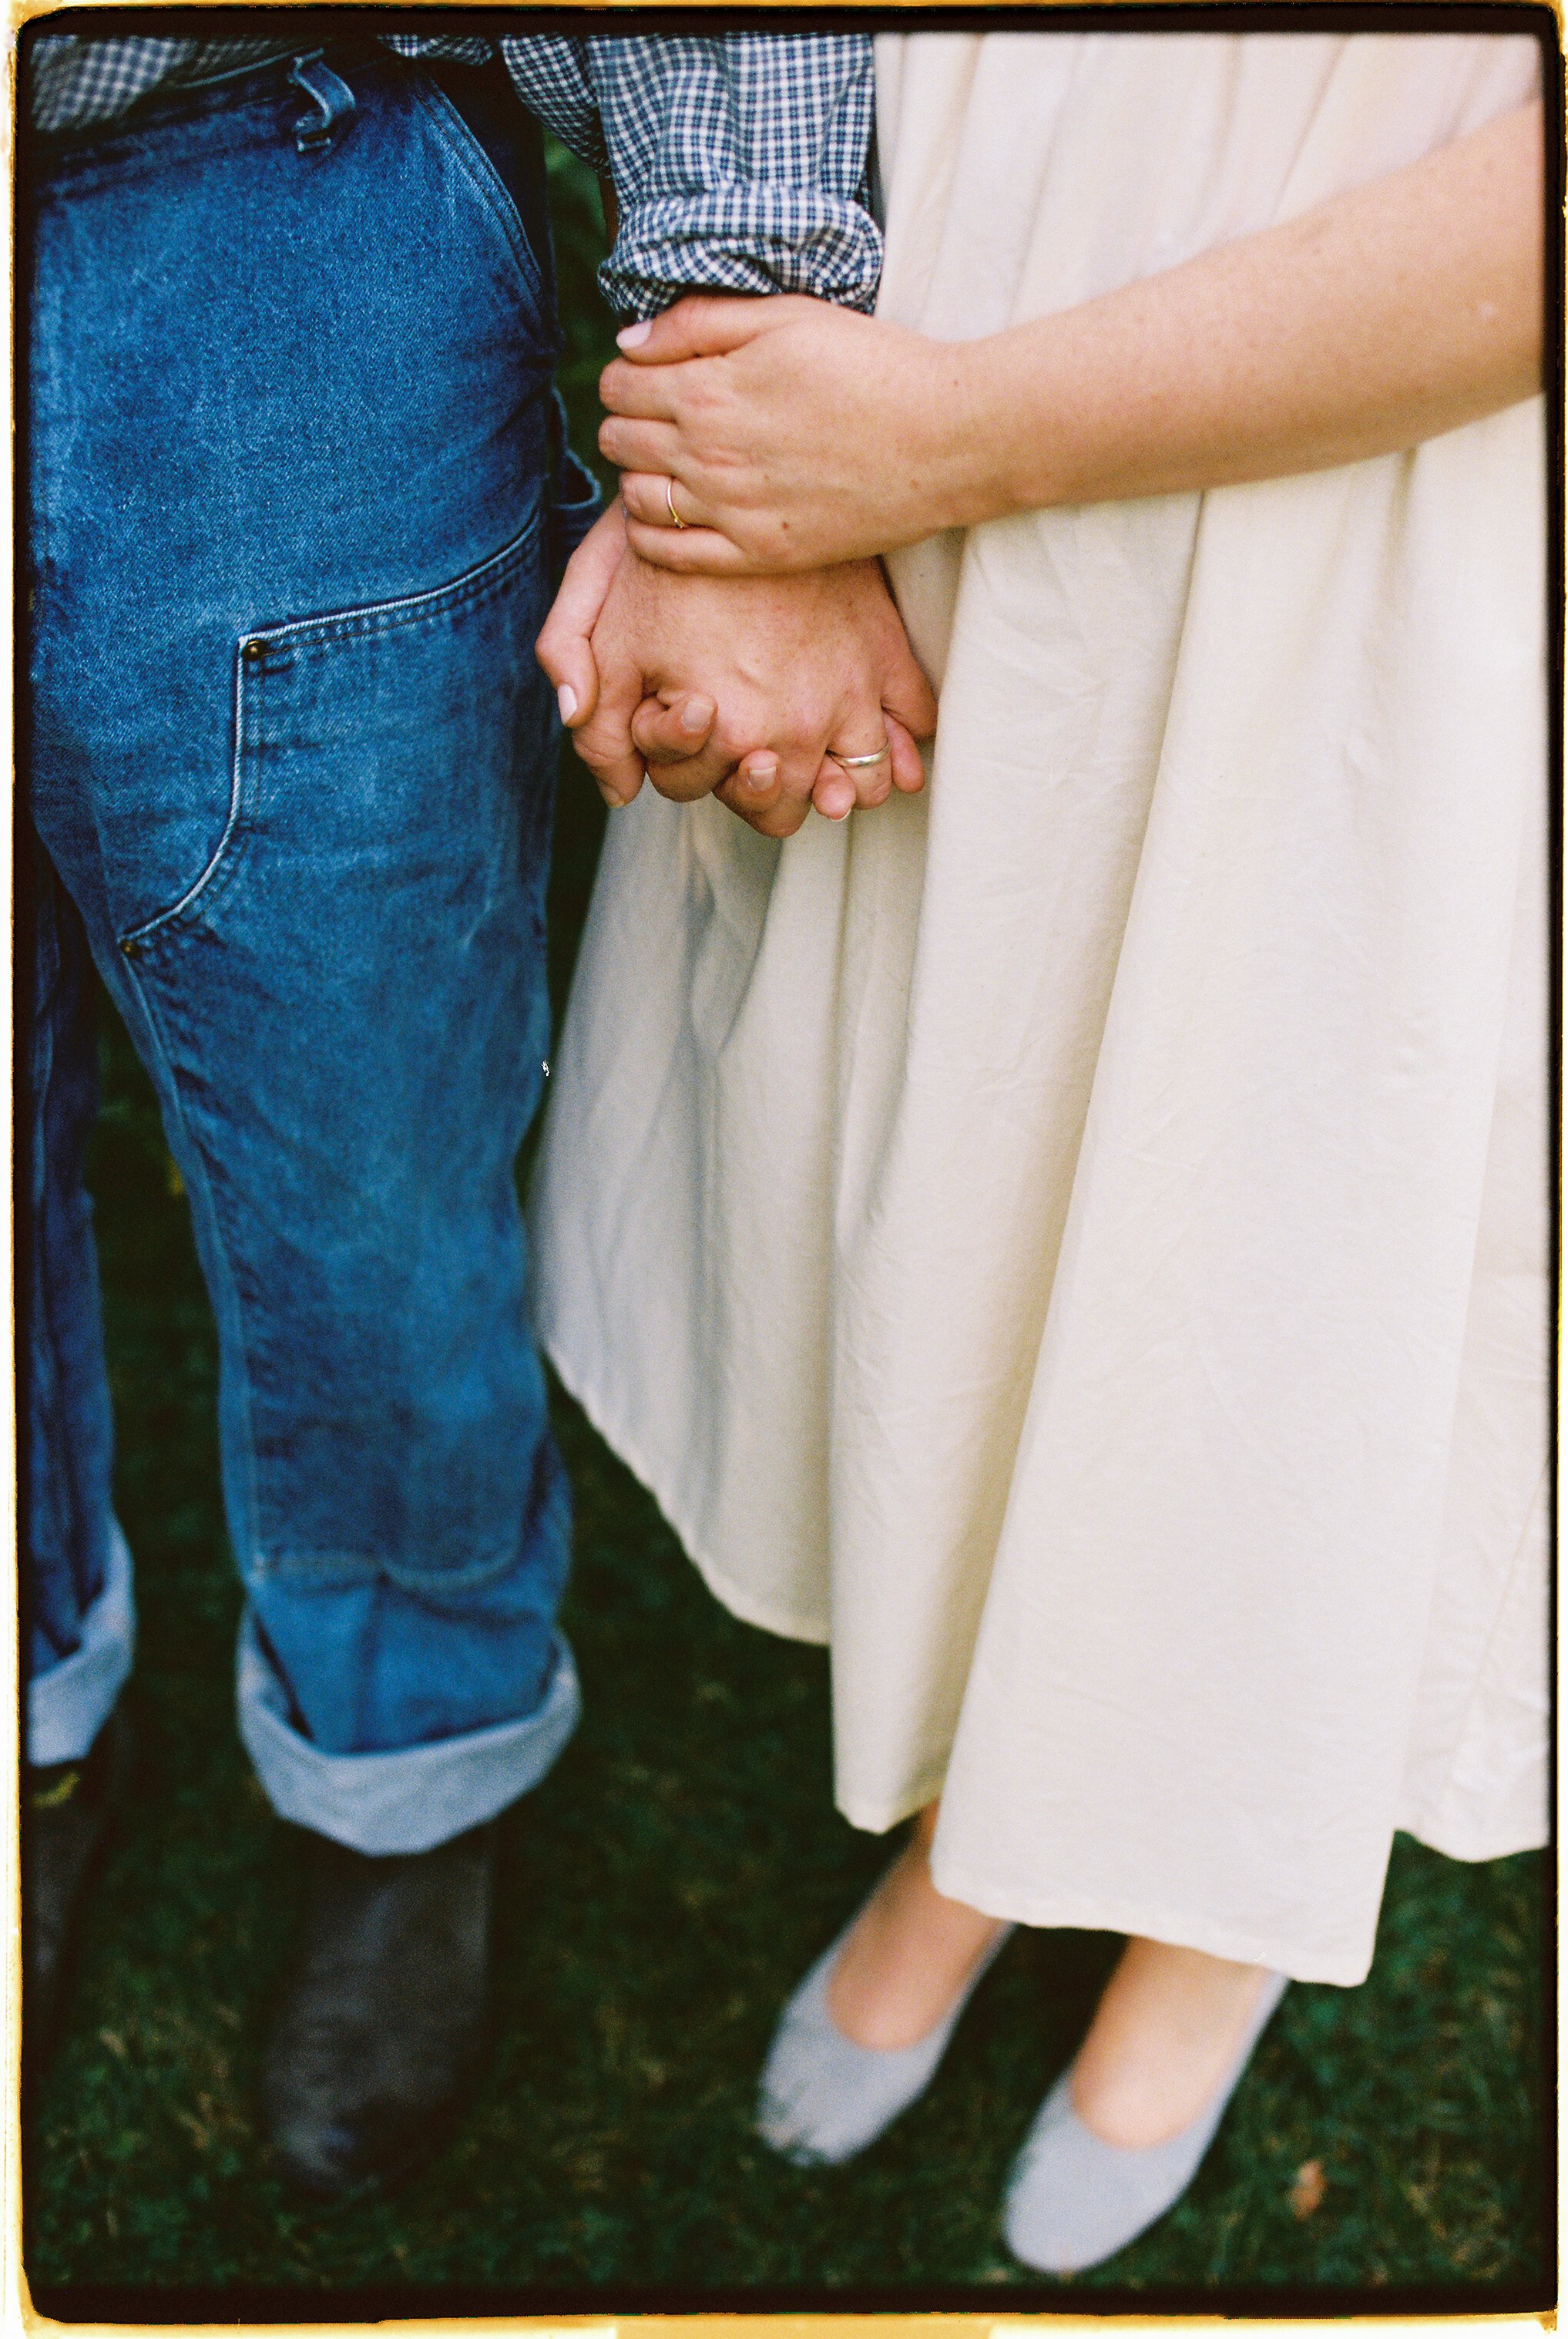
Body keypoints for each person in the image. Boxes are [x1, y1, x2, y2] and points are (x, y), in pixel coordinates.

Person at [532, 28, 1549, 2270]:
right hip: (975, 271)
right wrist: (745, 432)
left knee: (1301, 1175)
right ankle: (989, 1805)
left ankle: (1220, 1889)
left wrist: (941, 435)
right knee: (1002, 1130)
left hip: (1400, 447)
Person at [20, 22, 935, 2195]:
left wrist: (728, 345)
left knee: (363, 1159)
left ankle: (410, 1761)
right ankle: (33, 1704)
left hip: (253, 198)